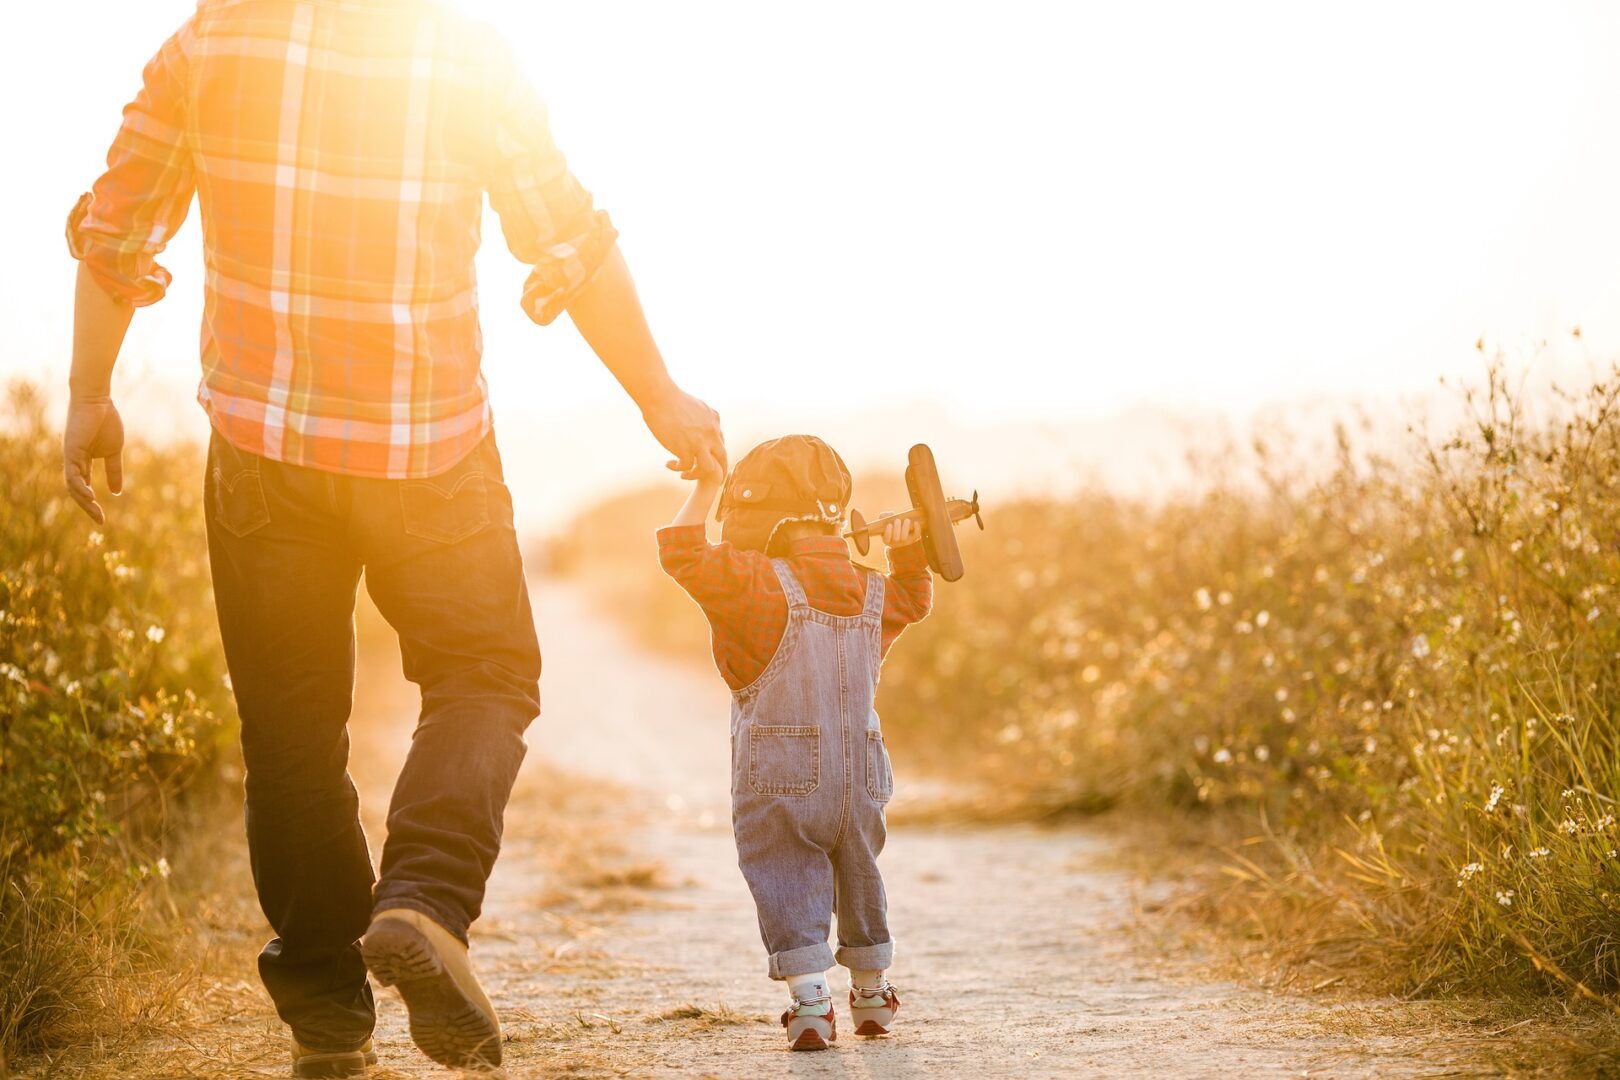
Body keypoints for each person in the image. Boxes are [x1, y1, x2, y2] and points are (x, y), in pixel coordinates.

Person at [60, 1, 724, 1074]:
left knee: (289, 736)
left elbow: (117, 228)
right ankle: (424, 902)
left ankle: (326, 1009)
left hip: (264, 456)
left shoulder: (215, 40)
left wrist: (90, 393)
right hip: (433, 454)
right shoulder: (464, 54)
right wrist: (659, 398)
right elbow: (571, 242)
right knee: (486, 673)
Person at [657, 435, 932, 1051]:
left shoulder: (750, 580)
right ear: (837, 511)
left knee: (783, 869)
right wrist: (909, 549)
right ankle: (871, 991)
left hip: (781, 772)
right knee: (862, 868)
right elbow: (916, 596)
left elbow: (679, 551)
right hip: (861, 773)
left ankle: (811, 1004)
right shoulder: (873, 588)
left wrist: (705, 484)